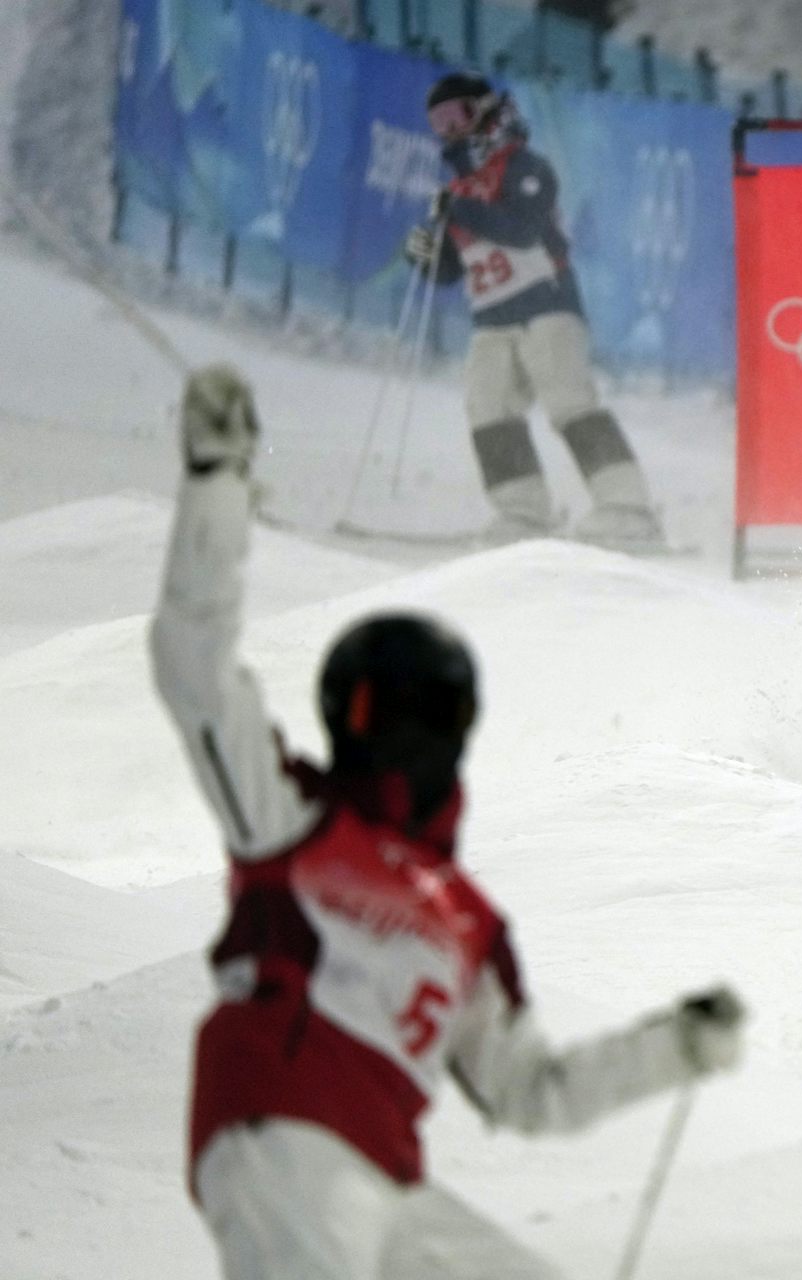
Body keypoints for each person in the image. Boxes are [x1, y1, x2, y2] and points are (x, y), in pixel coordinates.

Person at [149, 365, 743, 1279]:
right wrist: (216, 484)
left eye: (428, 718)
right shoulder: (290, 819)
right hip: (283, 1136)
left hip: (385, 1183)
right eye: (386, 714)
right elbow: (196, 667)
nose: (406, 741)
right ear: (351, 717)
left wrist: (673, 1048)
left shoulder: (466, 922)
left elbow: (532, 1091)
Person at [405, 72, 665, 545]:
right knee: (488, 408)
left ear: (485, 110)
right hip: (491, 317)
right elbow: (446, 271)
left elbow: (521, 229)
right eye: (438, 124)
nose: (450, 131)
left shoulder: (524, 167)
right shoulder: (459, 191)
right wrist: (422, 252)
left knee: (569, 402)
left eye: (457, 116)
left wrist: (458, 211)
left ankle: (628, 508)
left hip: (547, 305)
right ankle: (524, 513)